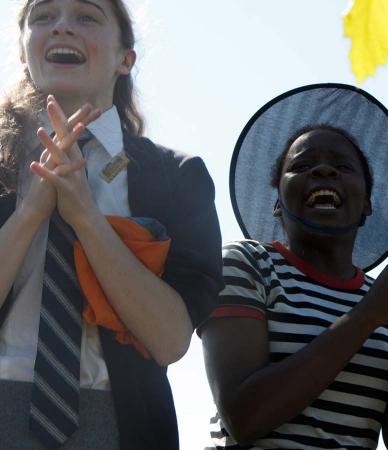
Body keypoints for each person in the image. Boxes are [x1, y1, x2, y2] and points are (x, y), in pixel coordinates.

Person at [0, 1, 223, 448]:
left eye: (86, 16)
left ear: (126, 58)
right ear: (23, 51)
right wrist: (29, 214)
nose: (62, 27)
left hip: (121, 423)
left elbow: (169, 340)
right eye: (44, 16)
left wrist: (84, 216)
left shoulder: (177, 176)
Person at [201, 84, 388, 450]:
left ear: (367, 207)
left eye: (342, 166)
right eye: (302, 166)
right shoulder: (248, 263)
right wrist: (367, 315)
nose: (324, 170)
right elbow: (244, 417)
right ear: (277, 203)